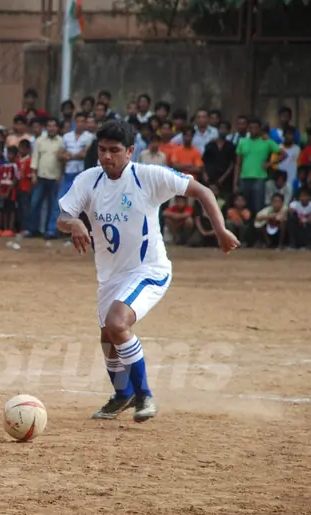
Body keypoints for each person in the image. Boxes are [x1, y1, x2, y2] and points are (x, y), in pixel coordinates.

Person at [56, 120, 239, 422]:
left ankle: (144, 397)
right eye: (102, 150)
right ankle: (122, 395)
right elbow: (63, 216)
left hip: (148, 270)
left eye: (114, 151)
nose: (106, 157)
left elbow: (202, 190)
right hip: (110, 276)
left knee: (117, 324)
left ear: (130, 151)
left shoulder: (148, 177)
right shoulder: (89, 180)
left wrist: (220, 229)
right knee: (107, 337)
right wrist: (73, 223)